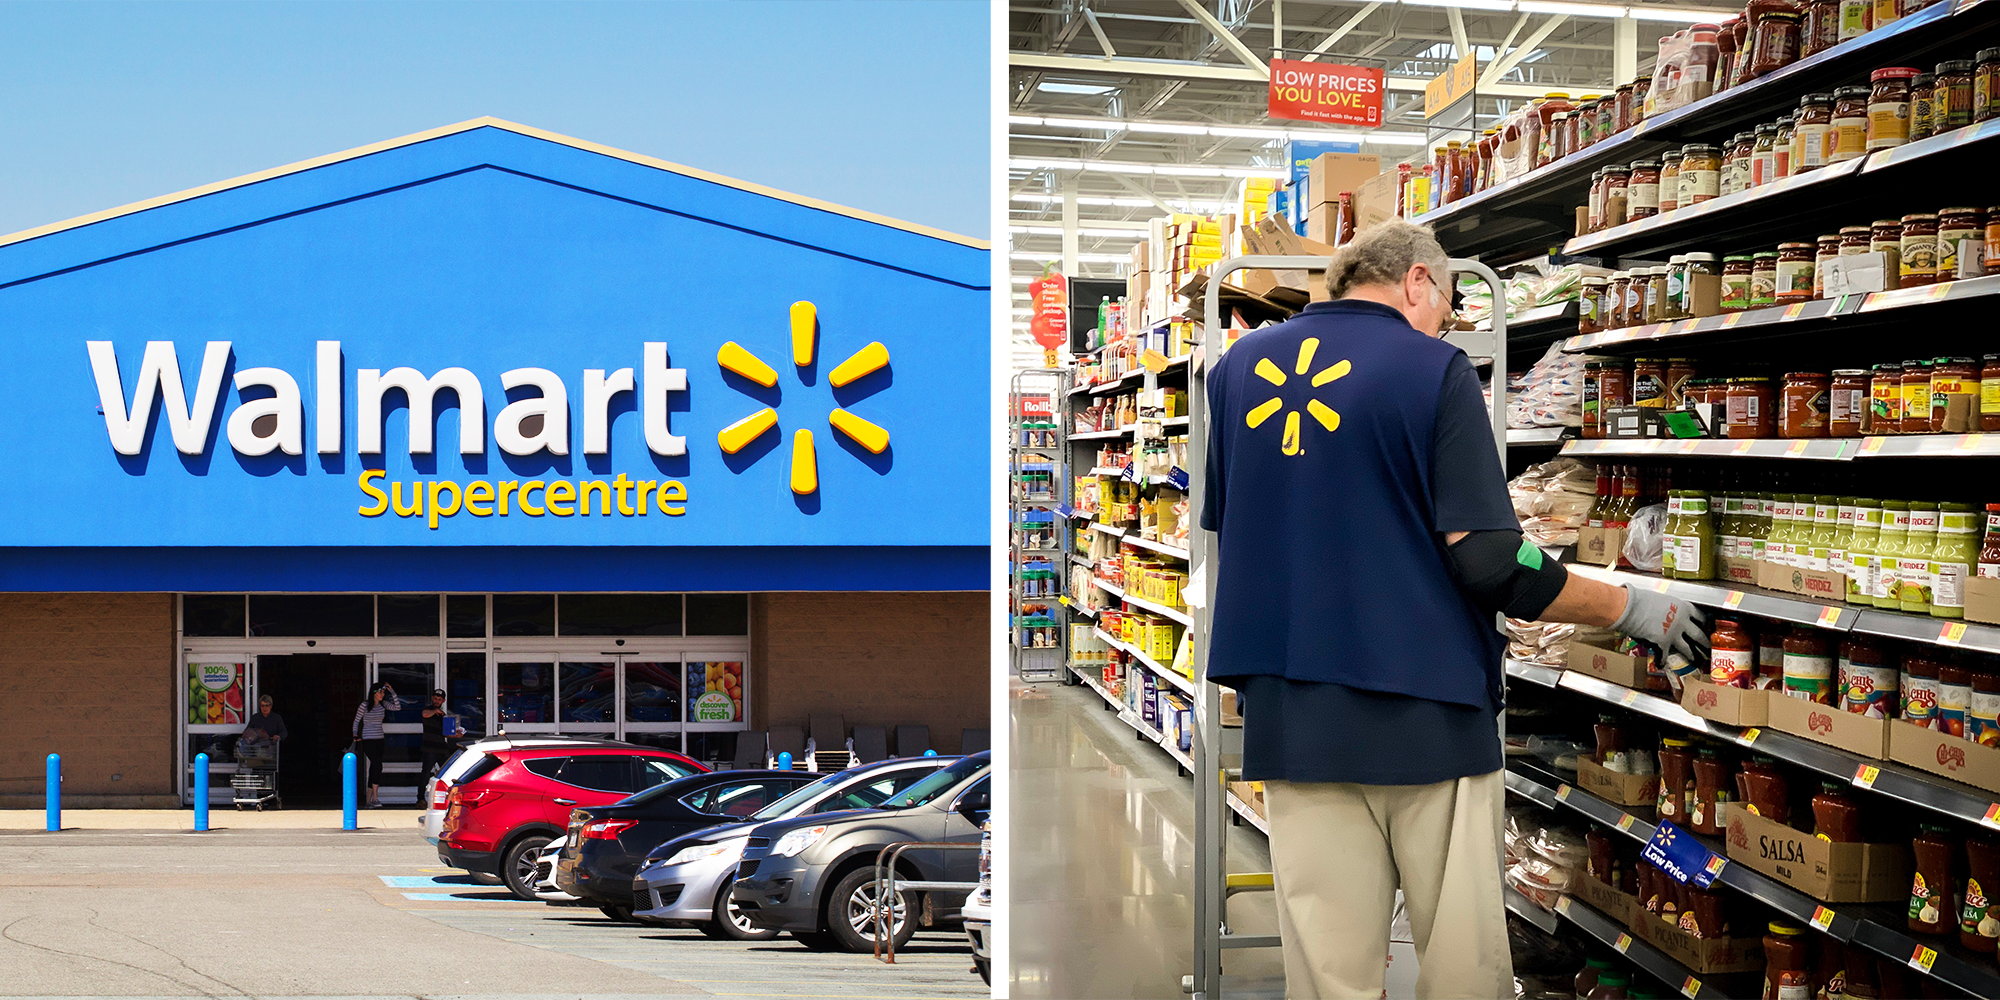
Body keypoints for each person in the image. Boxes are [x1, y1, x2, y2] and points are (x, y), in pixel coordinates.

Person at [1201, 220, 1707, 999]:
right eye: (1450, 302)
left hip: (1292, 719)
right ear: (1417, 283)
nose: (1447, 320)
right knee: (1459, 967)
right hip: (1426, 717)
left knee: (1328, 973)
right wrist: (1635, 608)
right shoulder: (1433, 370)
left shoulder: (1237, 371)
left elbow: (1240, 527)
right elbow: (1494, 560)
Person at [351, 682, 401, 808]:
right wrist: (355, 735)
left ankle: (369, 800)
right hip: (368, 739)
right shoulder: (365, 705)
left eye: (383, 693)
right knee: (378, 764)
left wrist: (392, 691)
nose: (382, 695)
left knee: (374, 766)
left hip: (380, 738)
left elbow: (397, 707)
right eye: (381, 692)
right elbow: (357, 720)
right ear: (374, 693)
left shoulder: (383, 705)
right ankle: (375, 797)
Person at [419, 688, 452, 785]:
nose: (437, 701)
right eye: (435, 699)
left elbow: (446, 733)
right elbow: (425, 714)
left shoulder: (443, 715)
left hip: (442, 748)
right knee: (425, 774)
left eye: (439, 699)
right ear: (432, 698)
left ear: (443, 701)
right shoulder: (428, 709)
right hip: (429, 749)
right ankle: (420, 798)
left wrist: (457, 735)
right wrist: (435, 711)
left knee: (448, 773)